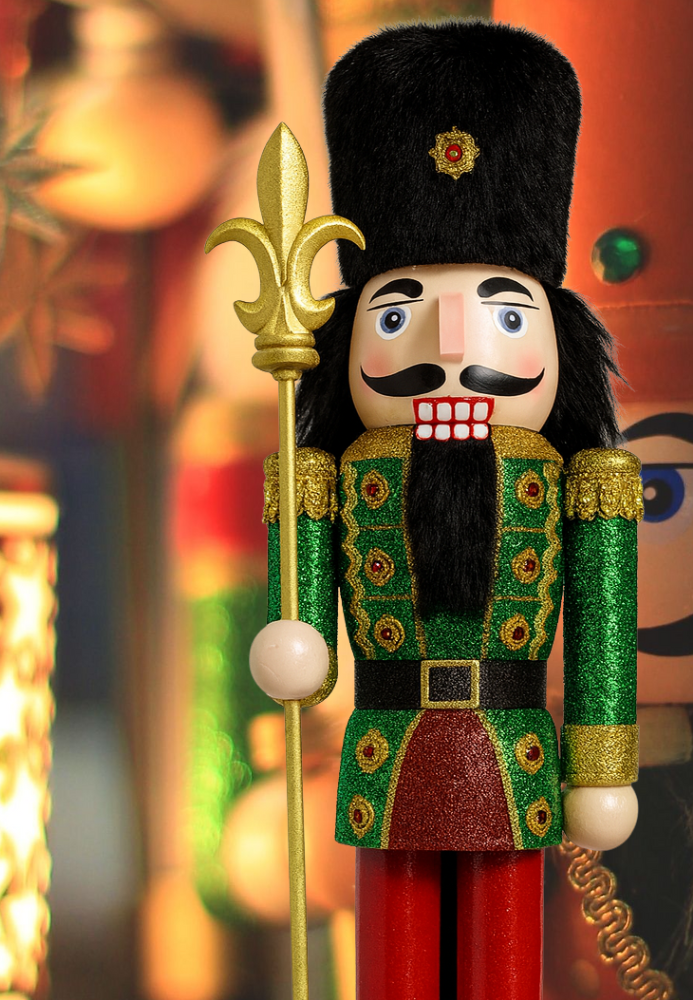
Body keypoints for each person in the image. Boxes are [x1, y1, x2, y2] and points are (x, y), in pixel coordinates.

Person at [247, 21, 641, 999]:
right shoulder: (335, 472)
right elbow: (303, 626)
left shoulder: (583, 480)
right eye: (397, 314)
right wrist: (295, 638)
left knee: (505, 958)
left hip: (514, 748)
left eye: (505, 314)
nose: (452, 347)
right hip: (387, 748)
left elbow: (602, 628)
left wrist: (602, 764)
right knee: (394, 954)